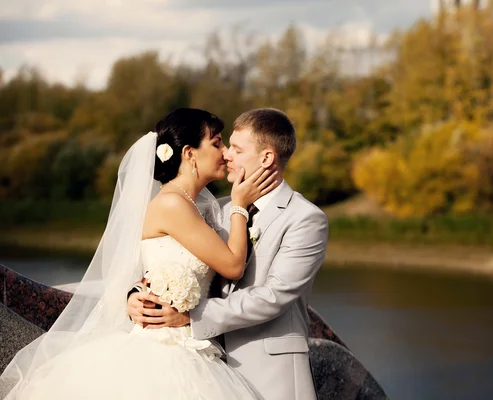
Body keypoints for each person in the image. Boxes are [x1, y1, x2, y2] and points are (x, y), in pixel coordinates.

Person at [0, 108, 277, 399]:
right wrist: (239, 205)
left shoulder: (199, 207)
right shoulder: (173, 204)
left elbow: (157, 270)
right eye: (217, 143)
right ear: (189, 153)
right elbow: (233, 265)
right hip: (164, 351)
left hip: (192, 339)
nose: (225, 153)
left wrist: (135, 292)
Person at [128, 108, 329, 400]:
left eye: (235, 148)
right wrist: (136, 295)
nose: (226, 155)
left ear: (267, 158)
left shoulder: (305, 218)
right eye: (223, 145)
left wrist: (189, 317)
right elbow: (175, 262)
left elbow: (274, 296)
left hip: (272, 373)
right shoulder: (215, 210)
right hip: (206, 368)